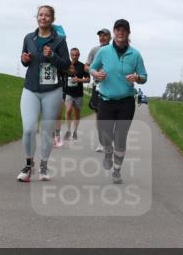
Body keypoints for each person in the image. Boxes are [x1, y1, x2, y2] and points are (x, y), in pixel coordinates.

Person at [89, 19, 147, 184]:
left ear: (128, 33)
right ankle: (108, 151)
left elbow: (144, 77)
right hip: (106, 100)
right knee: (105, 136)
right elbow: (92, 67)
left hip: (126, 102)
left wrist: (137, 77)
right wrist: (96, 74)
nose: (120, 33)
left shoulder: (135, 54)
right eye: (118, 30)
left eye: (124, 30)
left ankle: (117, 171)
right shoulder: (104, 51)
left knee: (120, 137)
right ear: (114, 32)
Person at [17, 5, 71, 182]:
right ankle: (28, 164)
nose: (43, 18)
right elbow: (25, 59)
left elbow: (66, 65)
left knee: (46, 131)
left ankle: (44, 166)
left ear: (52, 19)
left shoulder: (59, 41)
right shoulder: (29, 38)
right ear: (37, 17)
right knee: (29, 129)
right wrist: (24, 60)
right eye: (41, 15)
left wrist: (53, 56)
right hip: (31, 88)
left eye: (47, 15)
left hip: (52, 91)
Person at [85, 28, 111, 151]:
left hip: (112, 86)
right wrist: (95, 73)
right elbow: (87, 66)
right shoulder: (94, 50)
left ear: (110, 37)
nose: (102, 38)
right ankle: (102, 142)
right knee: (99, 114)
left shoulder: (114, 50)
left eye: (105, 35)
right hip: (98, 85)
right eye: (100, 36)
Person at [62, 47, 88, 141]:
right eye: (72, 55)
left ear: (79, 55)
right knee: (68, 110)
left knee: (77, 114)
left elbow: (88, 79)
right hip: (68, 93)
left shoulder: (82, 66)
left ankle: (75, 131)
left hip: (78, 93)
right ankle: (68, 131)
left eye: (76, 55)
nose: (74, 56)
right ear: (70, 55)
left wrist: (79, 80)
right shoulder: (66, 65)